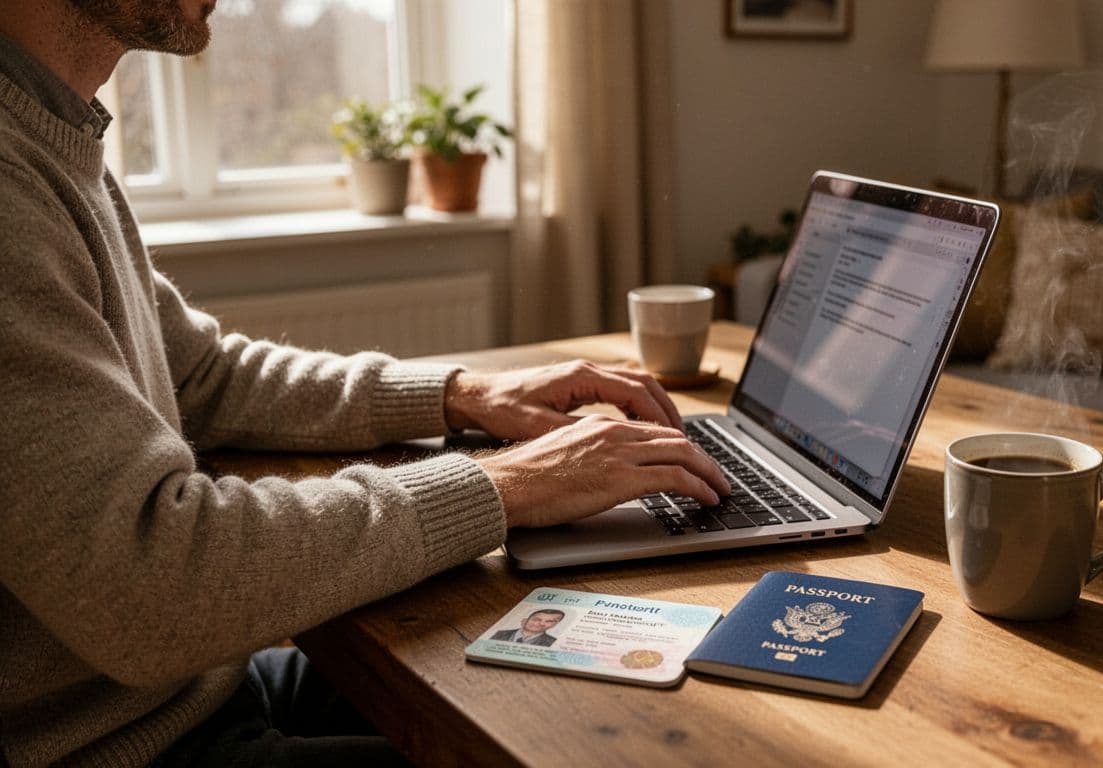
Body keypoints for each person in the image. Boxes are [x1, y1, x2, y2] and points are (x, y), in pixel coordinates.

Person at [0, 1, 730, 766]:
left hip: (188, 696)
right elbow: (150, 581)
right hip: (117, 745)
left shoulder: (57, 128)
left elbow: (203, 374)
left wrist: (460, 394)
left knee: (594, 709)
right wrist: (507, 485)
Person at [490, 609, 566, 647]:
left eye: (549, 621)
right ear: (525, 620)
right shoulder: (499, 634)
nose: (542, 624)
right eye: (537, 619)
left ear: (554, 625)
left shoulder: (553, 642)